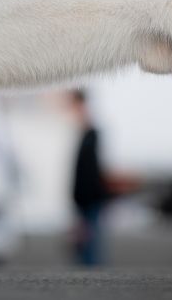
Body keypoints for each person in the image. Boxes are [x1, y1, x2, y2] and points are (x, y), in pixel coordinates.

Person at [70, 90, 110, 266]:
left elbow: (90, 171)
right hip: (86, 196)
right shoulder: (86, 133)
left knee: (89, 239)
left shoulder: (90, 134)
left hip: (89, 196)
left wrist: (84, 195)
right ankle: (89, 269)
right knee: (87, 237)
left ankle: (91, 271)